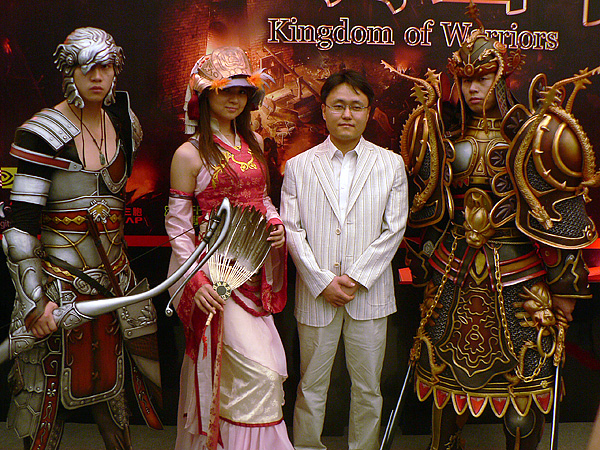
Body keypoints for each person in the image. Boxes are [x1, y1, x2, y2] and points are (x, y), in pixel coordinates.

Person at [396, 4, 600, 449]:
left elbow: (562, 216)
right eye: (465, 79)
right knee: (445, 390)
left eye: (483, 78)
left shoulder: (532, 137)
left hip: (518, 277)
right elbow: (426, 212)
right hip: (452, 274)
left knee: (523, 399)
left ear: (502, 77)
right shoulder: (442, 135)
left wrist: (565, 288)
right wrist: (425, 263)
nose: (473, 89)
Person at [2, 27, 161, 450]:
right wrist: (35, 302)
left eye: (105, 67)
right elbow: (20, 227)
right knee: (42, 413)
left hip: (114, 285)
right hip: (56, 288)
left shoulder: (125, 124)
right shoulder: (41, 133)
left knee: (115, 409)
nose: (97, 76)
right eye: (86, 67)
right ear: (68, 71)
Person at [165, 46, 292, 450]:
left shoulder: (255, 142)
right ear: (205, 96)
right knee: (257, 372)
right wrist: (196, 282)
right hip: (216, 276)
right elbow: (178, 227)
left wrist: (275, 225)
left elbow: (263, 199)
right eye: (225, 91)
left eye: (242, 91)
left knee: (266, 370)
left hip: (254, 268)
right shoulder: (188, 154)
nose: (235, 99)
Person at [281, 69, 408, 450]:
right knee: (311, 385)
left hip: (369, 295)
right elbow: (291, 229)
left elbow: (394, 229)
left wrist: (356, 278)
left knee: (368, 387)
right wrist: (322, 281)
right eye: (338, 106)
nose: (347, 114)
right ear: (324, 110)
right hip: (316, 294)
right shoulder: (299, 166)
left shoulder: (391, 164)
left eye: (356, 106)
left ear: (369, 112)